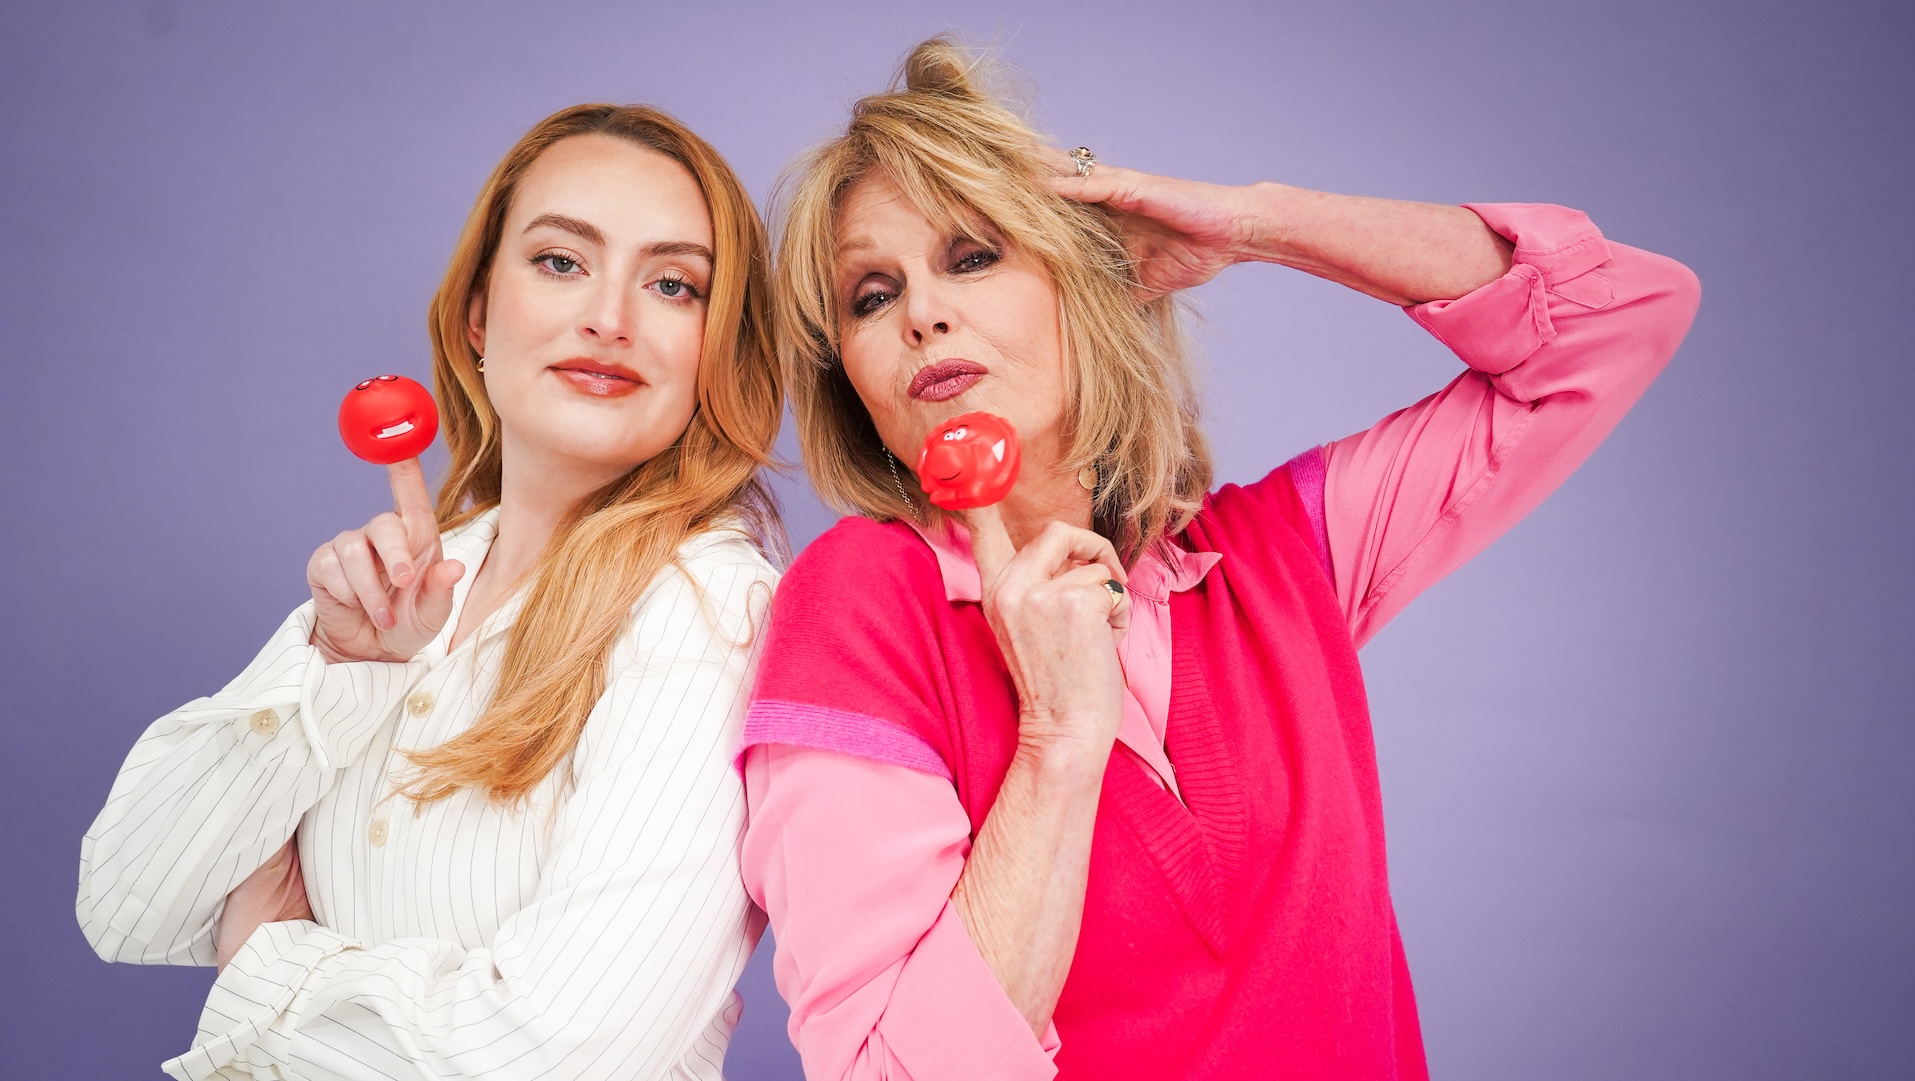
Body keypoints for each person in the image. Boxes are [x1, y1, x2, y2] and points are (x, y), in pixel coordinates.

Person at [740, 37, 1700, 1080]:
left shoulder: (1288, 556)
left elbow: (1619, 316)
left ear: (1083, 284)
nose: (923, 311)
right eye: (871, 296)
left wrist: (1257, 226)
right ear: (854, 378)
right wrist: (1058, 742)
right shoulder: (858, 606)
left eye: (974, 257)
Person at [77, 103, 784, 1080]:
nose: (610, 318)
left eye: (672, 283)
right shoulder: (401, 589)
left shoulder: (711, 614)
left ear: (718, 348)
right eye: (560, 260)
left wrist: (269, 966)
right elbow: (127, 901)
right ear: (477, 317)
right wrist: (336, 666)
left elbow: (559, 1052)